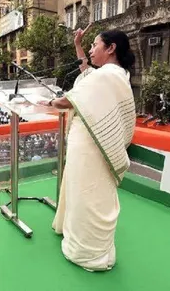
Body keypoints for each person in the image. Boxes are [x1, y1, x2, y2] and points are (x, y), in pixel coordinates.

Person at [42, 26, 136, 272]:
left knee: (86, 192)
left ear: (111, 48)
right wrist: (78, 45)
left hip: (90, 145)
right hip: (90, 143)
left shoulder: (106, 76)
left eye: (95, 45)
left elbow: (70, 99)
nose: (91, 51)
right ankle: (81, 240)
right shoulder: (115, 75)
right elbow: (86, 73)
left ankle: (87, 253)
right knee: (83, 190)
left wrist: (49, 102)